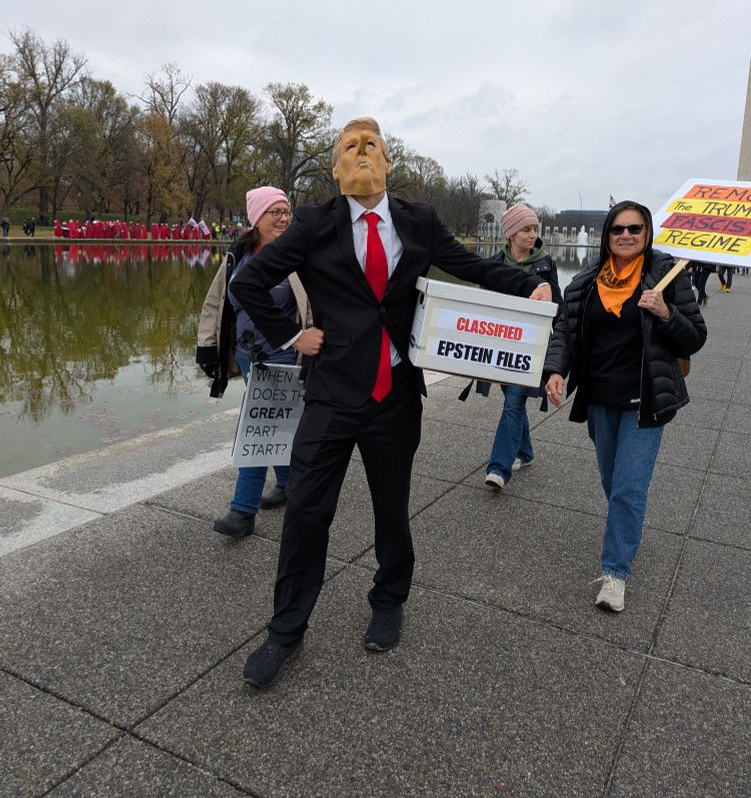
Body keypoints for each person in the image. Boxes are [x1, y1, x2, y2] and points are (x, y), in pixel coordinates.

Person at [231, 116, 553, 687]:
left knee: (391, 507)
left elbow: (472, 267)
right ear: (335, 169)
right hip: (330, 393)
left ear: (388, 163)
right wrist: (289, 334)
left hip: (395, 394)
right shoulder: (313, 224)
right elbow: (248, 284)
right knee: (306, 512)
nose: (360, 153)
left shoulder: (418, 221)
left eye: (371, 145)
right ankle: (285, 631)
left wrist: (526, 286)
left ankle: (388, 598)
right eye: (348, 147)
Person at [544, 200, 706, 614]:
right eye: (618, 229)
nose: (626, 236)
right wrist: (556, 370)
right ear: (607, 235)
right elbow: (565, 330)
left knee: (629, 488)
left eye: (635, 228)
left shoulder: (666, 277)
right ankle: (627, 528)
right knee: (614, 484)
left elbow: (695, 338)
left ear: (647, 232)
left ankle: (614, 573)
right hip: (599, 399)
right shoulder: (585, 280)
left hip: (645, 400)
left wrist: (665, 312)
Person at [196, 187, 312, 536]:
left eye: (285, 211)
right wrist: (207, 345)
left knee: (259, 428)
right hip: (247, 356)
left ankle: (242, 512)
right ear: (255, 219)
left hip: (283, 357)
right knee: (274, 424)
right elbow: (217, 300)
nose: (282, 218)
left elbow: (316, 303)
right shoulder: (238, 254)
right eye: (273, 212)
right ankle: (290, 483)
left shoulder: (297, 255)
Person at [484, 204, 562, 490]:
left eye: (534, 230)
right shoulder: (493, 264)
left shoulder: (545, 264)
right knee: (511, 399)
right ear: (511, 233)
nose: (532, 235)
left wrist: (559, 349)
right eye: (526, 229)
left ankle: (498, 469)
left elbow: (558, 307)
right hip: (502, 344)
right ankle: (525, 452)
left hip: (531, 346)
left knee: (513, 401)